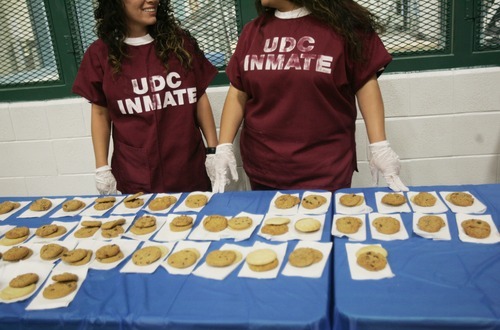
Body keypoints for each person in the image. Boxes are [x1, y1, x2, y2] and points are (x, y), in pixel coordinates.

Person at [213, 0, 408, 193]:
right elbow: (238, 91)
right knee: (273, 224)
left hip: (324, 169)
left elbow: (366, 85)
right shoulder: (252, 32)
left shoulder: (346, 28)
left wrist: (379, 146)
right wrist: (224, 146)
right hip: (265, 168)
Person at [72, 0, 218, 195]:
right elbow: (100, 112)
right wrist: (102, 167)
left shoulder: (180, 44)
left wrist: (213, 151)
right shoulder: (100, 53)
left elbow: (199, 97)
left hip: (188, 168)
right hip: (136, 174)